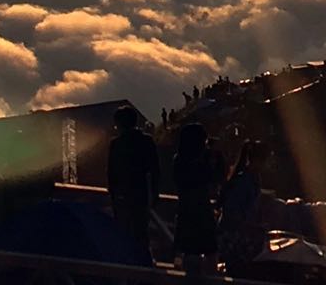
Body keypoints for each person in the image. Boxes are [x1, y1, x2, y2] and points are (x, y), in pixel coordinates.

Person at [107, 104, 160, 258]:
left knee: (122, 232)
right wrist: (155, 193)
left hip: (121, 195)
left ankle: (126, 265)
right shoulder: (146, 141)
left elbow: (111, 172)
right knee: (141, 232)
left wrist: (112, 193)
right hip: (141, 193)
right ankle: (143, 265)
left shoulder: (116, 144)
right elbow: (155, 169)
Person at [172, 121, 224, 277]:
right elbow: (216, 178)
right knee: (210, 250)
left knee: (189, 251)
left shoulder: (178, 160)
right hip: (202, 209)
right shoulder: (203, 163)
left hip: (185, 209)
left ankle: (191, 278)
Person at [219, 141, 270, 277]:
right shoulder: (244, 181)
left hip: (241, 236)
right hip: (235, 238)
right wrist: (250, 225)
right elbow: (233, 212)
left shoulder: (252, 179)